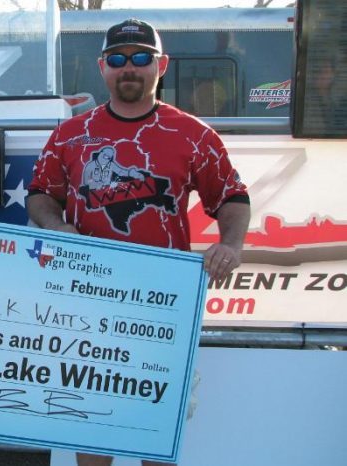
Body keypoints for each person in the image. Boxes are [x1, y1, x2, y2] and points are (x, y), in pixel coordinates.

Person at [26, 19, 250, 466]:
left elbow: (232, 197)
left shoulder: (194, 134)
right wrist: (53, 225)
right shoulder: (69, 134)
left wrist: (231, 244)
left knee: (155, 423)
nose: (129, 67)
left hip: (162, 304)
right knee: (92, 419)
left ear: (161, 65)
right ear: (102, 67)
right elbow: (40, 195)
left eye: (141, 57)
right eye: (118, 58)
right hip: (86, 302)